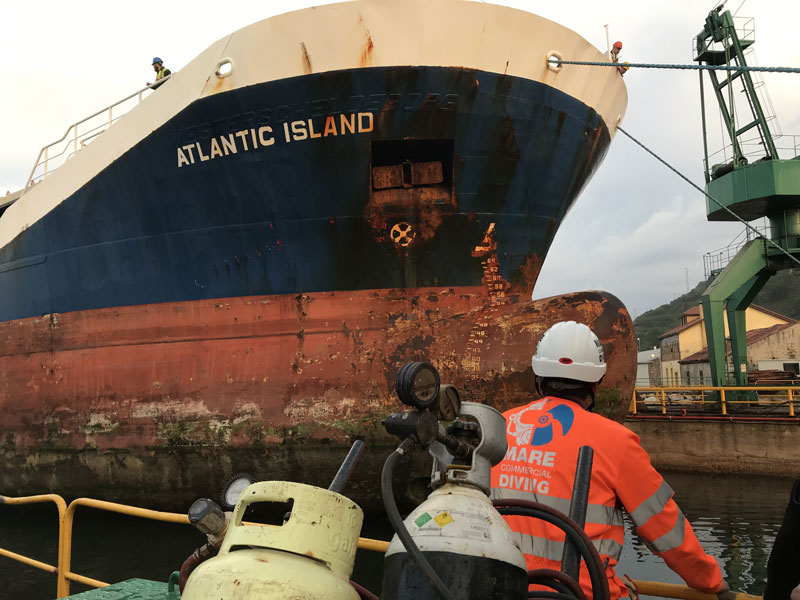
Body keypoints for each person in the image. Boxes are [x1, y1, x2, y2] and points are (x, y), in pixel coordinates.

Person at [491, 321, 730, 600]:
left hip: (503, 586)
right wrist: (710, 580)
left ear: (538, 377)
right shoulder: (615, 441)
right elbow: (664, 527)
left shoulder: (501, 425)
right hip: (581, 592)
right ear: (595, 383)